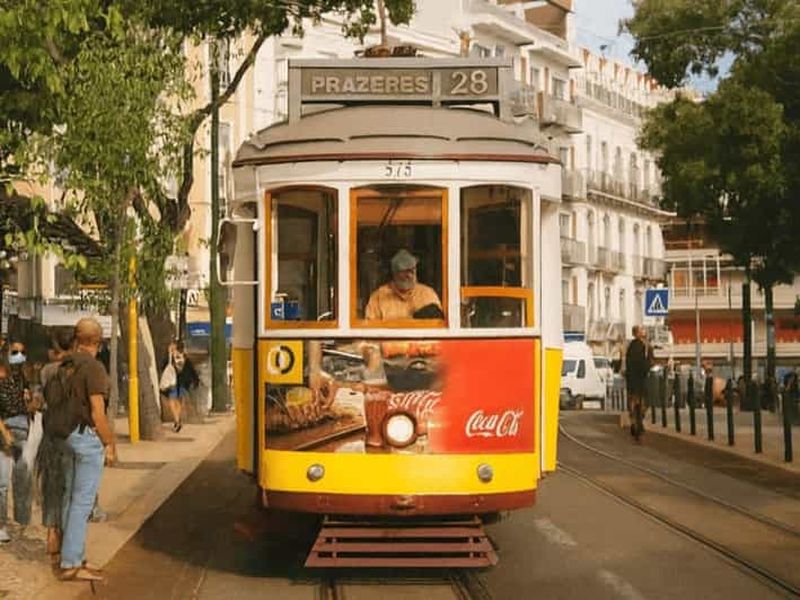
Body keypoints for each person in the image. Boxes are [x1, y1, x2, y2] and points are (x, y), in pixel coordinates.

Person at [58, 318, 115, 581]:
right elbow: (98, 413)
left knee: (71, 499)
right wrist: (109, 443)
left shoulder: (66, 365)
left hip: (64, 436)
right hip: (85, 438)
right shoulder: (93, 368)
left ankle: (75, 556)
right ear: (97, 341)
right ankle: (70, 562)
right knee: (83, 503)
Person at [38, 329, 75, 562]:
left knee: (51, 484)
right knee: (68, 487)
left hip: (49, 431)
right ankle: (65, 537)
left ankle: (51, 532)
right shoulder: (74, 370)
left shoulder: (45, 371)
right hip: (70, 434)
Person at [0, 342, 34, 543]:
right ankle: (1, 525)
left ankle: (22, 519)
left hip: (23, 431)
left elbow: (28, 407)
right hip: (4, 433)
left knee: (23, 478)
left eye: (23, 352)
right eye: (15, 352)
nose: (19, 356)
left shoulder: (23, 378)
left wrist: (31, 403)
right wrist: (5, 433)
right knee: (2, 483)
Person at [364, 249, 442, 321]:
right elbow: (369, 329)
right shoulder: (378, 297)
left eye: (412, 271)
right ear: (394, 273)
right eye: (405, 271)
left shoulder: (428, 294)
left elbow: (439, 326)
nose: (410, 275)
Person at [161, 342, 200, 433]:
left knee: (178, 403)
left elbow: (191, 370)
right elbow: (163, 366)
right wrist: (169, 356)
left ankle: (177, 420)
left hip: (182, 383)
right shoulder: (169, 358)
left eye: (173, 347)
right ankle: (177, 420)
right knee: (172, 401)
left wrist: (195, 381)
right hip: (172, 383)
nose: (171, 349)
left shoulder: (184, 357)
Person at [624, 325, 652, 442]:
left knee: (632, 401)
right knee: (645, 402)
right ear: (638, 333)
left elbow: (627, 363)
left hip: (631, 379)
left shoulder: (630, 346)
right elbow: (646, 363)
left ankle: (634, 421)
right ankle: (638, 421)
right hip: (641, 379)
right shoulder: (644, 346)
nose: (644, 332)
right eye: (642, 330)